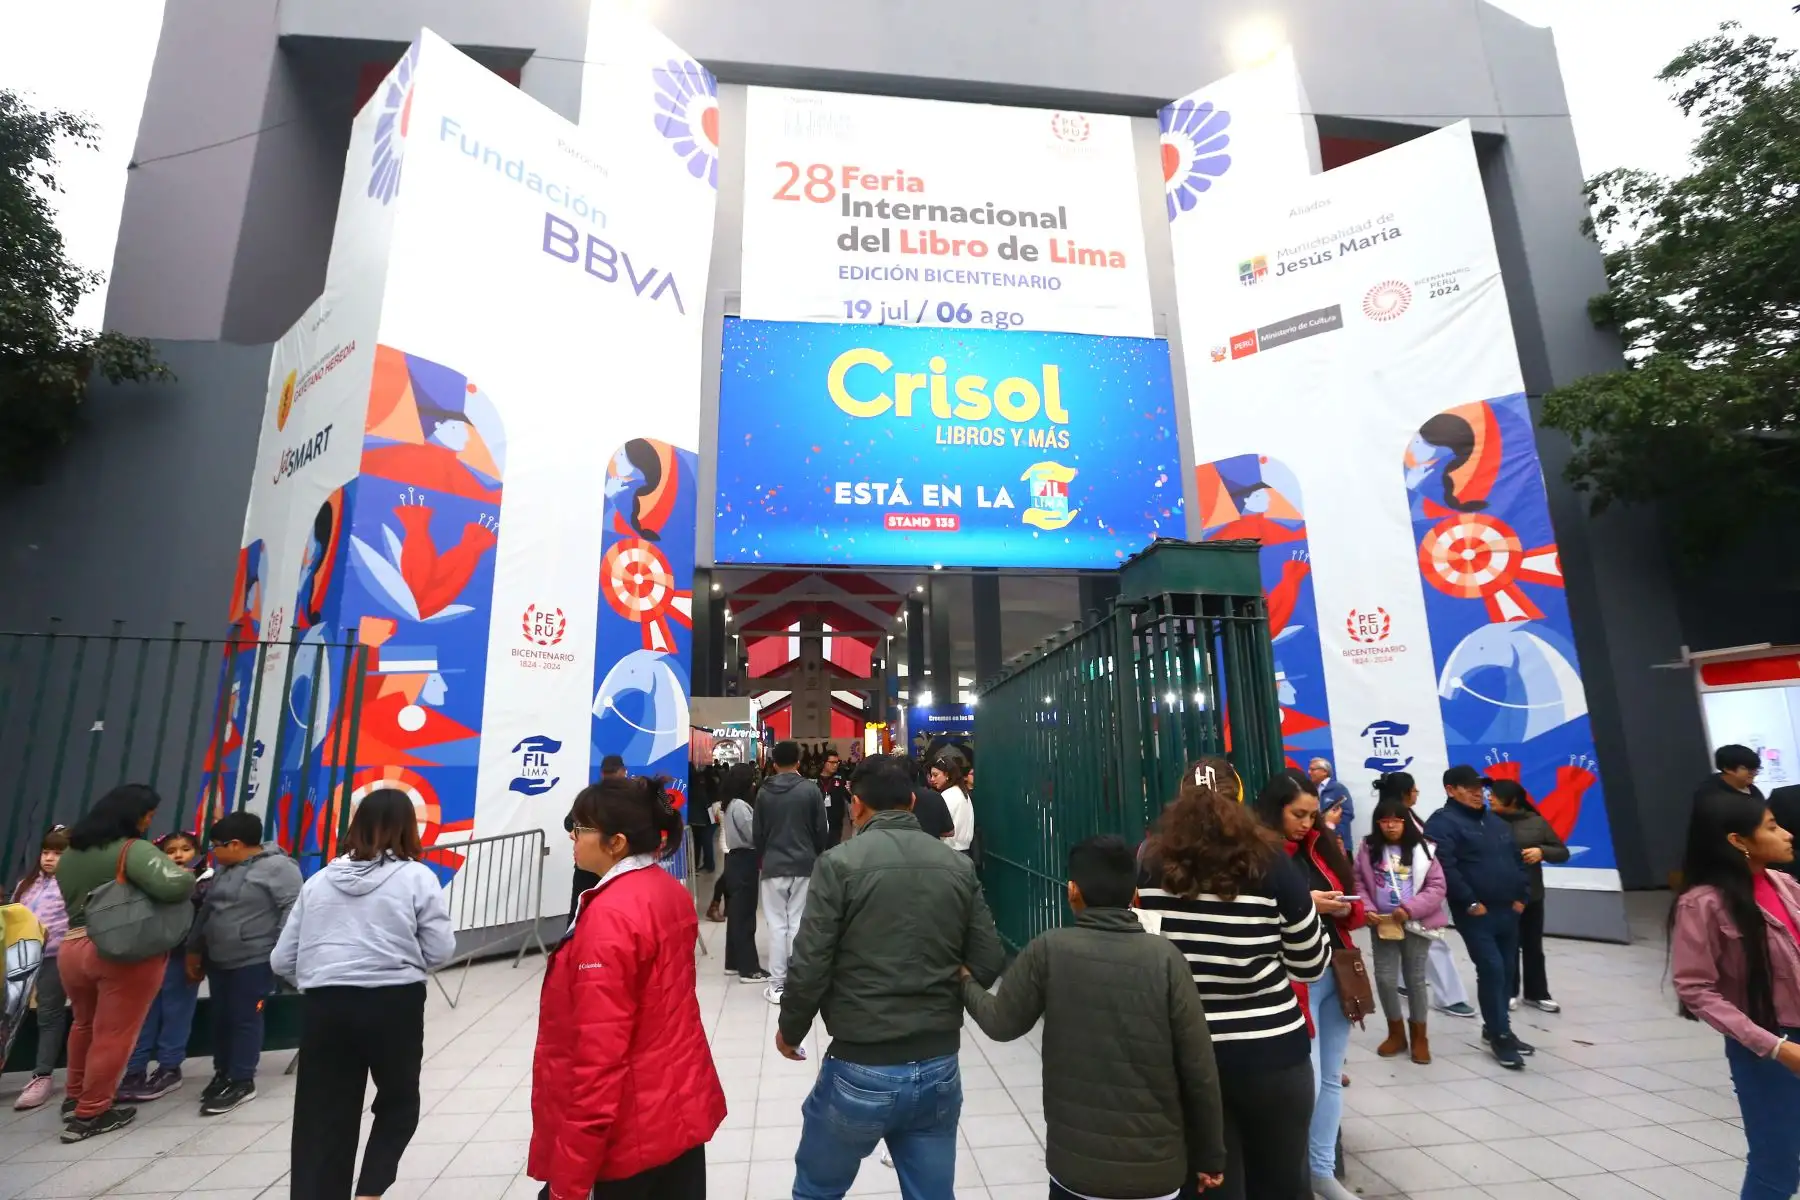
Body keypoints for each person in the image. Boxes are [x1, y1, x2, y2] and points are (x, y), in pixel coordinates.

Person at [777, 759, 1006, 1199]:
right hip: (939, 1062)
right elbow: (990, 958)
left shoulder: (838, 864)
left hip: (861, 1062)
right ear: (914, 802)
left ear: (856, 805)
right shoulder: (955, 867)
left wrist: (792, 1029)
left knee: (817, 1190)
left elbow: (811, 961)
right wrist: (955, 978)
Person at [960, 835, 1227, 1199]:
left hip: (1077, 1170)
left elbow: (1000, 1023)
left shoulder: (1050, 950)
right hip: (1156, 1171)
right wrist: (1211, 1155)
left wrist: (964, 983)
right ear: (1135, 895)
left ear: (1073, 891)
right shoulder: (1167, 959)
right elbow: (1200, 1071)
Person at [529, 775, 724, 1200]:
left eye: (579, 829)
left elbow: (599, 1056)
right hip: (677, 1107)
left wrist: (570, 1179)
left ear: (616, 843)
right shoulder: (665, 889)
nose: (572, 837)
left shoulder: (610, 918)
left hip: (631, 1131)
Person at [1138, 777, 1328, 1200]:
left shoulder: (1150, 865)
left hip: (1188, 1054)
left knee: (1209, 1185)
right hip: (1273, 1053)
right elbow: (1310, 963)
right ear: (1240, 802)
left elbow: (1144, 955)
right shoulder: (1273, 863)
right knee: (1281, 1182)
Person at [274, 787, 455, 1200]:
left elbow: (283, 958)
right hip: (394, 1002)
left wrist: (322, 973)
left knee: (323, 1113)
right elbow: (441, 949)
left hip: (325, 1003)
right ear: (409, 827)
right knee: (398, 1099)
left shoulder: (318, 881)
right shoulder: (416, 877)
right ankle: (370, 1190)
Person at [1672, 789, 1800, 1200]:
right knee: (1776, 1164)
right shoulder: (1702, 904)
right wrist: (1776, 1047)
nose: (1787, 835)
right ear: (1737, 841)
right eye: (1772, 827)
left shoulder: (1784, 884)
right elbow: (1695, 989)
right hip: (1771, 1046)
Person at [54, 784, 195, 1141]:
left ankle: (75, 1096)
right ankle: (91, 1113)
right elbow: (175, 885)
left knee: (83, 1025)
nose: (150, 822)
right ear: (133, 816)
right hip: (119, 948)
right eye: (148, 814)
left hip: (72, 947)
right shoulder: (133, 850)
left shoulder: (71, 853)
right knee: (114, 1033)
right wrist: (188, 874)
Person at [1250, 771, 1366, 1200]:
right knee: (1310, 1077)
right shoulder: (1259, 853)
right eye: (1298, 814)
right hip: (1296, 973)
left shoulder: (1322, 845)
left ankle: (1321, 1172)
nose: (1306, 823)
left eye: (1312, 815)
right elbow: (1256, 916)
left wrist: (1339, 908)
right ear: (1274, 808)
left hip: (1338, 965)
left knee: (1332, 1077)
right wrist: (1306, 903)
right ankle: (1295, 1171)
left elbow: (1355, 903)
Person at [189, 811, 301, 1115]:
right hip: (219, 958)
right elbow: (208, 909)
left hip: (254, 958)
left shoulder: (279, 868)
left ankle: (242, 1079)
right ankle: (222, 1072)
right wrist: (194, 948)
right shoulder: (225, 868)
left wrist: (280, 952)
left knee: (245, 1017)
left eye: (216, 847)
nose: (214, 853)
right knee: (221, 1018)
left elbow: (292, 910)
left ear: (236, 844)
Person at [1423, 766, 1531, 1070]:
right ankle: (1500, 1036)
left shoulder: (1494, 822)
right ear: (1450, 790)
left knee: (1508, 971)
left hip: (1509, 910)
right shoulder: (1442, 823)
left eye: (1480, 787)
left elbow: (1516, 858)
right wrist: (1469, 901)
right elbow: (1444, 866)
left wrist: (1522, 896)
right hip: (1476, 912)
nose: (1477, 792)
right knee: (1493, 969)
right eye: (1468, 787)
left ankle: (1498, 1027)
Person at [1354, 795, 1446, 1066]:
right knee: (1384, 978)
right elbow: (1358, 882)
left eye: (1396, 820)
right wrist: (1368, 908)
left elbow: (1437, 887)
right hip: (1382, 923)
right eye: (1385, 821)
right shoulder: (1368, 849)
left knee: (1415, 979)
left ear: (1406, 822)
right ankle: (1396, 1033)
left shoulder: (1424, 850)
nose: (1391, 826)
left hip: (1415, 923)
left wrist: (1410, 908)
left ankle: (1419, 1036)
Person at [118, 831, 208, 1103]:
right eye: (171, 850)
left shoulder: (204, 880)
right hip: (150, 954)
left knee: (176, 1011)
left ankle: (170, 1066)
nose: (179, 855)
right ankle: (135, 1069)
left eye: (185, 849)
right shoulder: (149, 882)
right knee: (144, 1012)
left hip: (182, 956)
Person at [1380, 772, 1476, 1019]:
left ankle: (1403, 981)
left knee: (1410, 937)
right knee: (1432, 941)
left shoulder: (1402, 814)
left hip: (1416, 887)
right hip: (1411, 889)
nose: (1417, 794)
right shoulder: (1396, 818)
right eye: (1414, 790)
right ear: (1404, 792)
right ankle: (1450, 997)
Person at [754, 740, 830, 1005]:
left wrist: (764, 857)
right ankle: (798, 982)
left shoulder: (764, 791)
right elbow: (822, 829)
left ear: (773, 763)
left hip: (774, 865)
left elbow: (758, 832)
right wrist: (815, 852)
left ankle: (777, 985)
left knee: (776, 925)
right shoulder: (811, 790)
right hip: (805, 864)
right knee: (798, 922)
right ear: (799, 762)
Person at [1489, 780, 1569, 1014]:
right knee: (1507, 945)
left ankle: (1536, 994)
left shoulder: (1537, 822)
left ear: (1512, 800)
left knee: (1533, 946)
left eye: (1494, 795)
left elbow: (1562, 852)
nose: (1489, 798)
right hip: (1501, 895)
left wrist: (1542, 851)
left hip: (1532, 895)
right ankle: (1508, 992)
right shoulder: (1486, 822)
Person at [11, 827, 70, 1111]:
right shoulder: (27, 883)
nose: (49, 858)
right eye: (46, 852)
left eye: (58, 853)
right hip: (19, 957)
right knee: (7, 1015)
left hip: (53, 957)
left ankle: (42, 1075)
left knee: (49, 1013)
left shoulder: (70, 884)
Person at [718, 762, 768, 982]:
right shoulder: (741, 806)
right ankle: (749, 969)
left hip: (735, 861)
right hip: (745, 860)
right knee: (745, 917)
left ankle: (733, 962)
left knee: (736, 915)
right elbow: (752, 835)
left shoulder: (730, 804)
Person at [569, 754, 630, 914]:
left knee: (580, 911)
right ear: (623, 772)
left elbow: (568, 822)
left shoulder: (589, 796)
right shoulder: (630, 797)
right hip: (615, 863)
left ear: (602, 773)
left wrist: (584, 831)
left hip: (589, 863)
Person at [928, 756, 975, 857]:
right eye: (931, 775)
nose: (932, 779)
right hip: (964, 852)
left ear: (947, 775)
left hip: (950, 852)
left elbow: (940, 826)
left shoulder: (948, 795)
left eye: (935, 775)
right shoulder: (962, 793)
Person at [1309, 758, 1354, 858]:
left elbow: (1347, 814)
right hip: (1319, 844)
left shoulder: (1338, 788)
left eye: (1313, 769)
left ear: (1324, 771)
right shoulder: (1311, 790)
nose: (1309, 772)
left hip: (1338, 843)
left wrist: (1335, 835)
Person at [1695, 744, 1765, 806]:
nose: (1754, 774)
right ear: (1728, 769)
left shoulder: (1753, 790)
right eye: (1747, 769)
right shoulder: (1710, 795)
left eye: (1755, 769)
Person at [818, 750, 852, 846]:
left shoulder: (840, 778)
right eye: (832, 762)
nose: (835, 765)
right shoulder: (814, 778)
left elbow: (849, 797)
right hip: (818, 822)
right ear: (824, 763)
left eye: (837, 762)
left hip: (835, 823)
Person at [688, 765, 717, 874]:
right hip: (704, 818)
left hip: (695, 819)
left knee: (697, 843)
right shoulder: (701, 784)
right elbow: (706, 802)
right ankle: (708, 865)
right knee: (706, 842)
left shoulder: (690, 785)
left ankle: (696, 865)